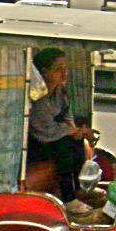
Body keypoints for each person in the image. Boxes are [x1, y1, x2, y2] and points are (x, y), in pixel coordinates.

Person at [28, 47, 97, 205]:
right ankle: (68, 198)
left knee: (75, 141)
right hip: (38, 142)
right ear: (44, 72)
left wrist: (78, 132)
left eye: (65, 69)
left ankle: (80, 188)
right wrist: (72, 131)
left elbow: (68, 119)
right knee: (64, 145)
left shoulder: (61, 93)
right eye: (58, 70)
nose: (64, 74)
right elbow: (45, 129)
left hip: (54, 137)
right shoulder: (38, 97)